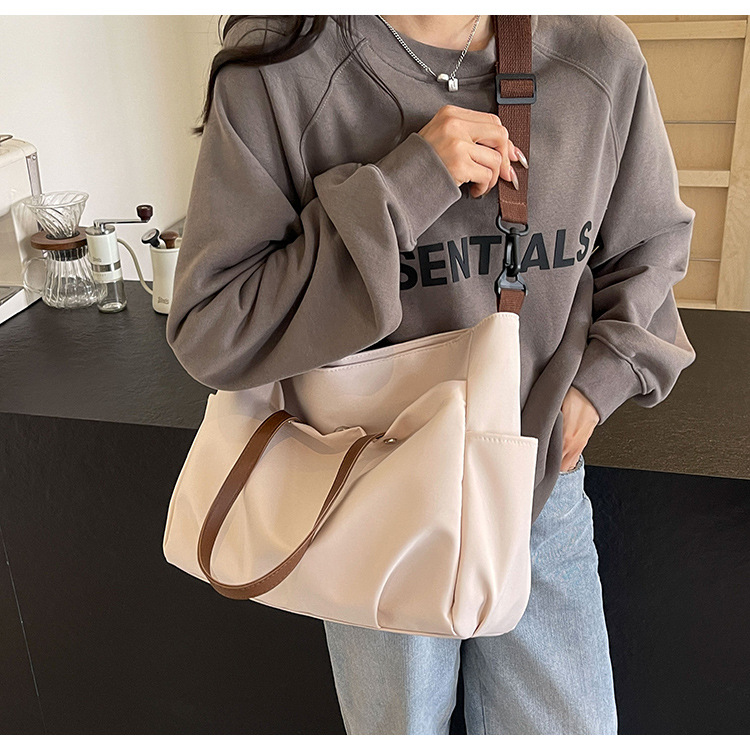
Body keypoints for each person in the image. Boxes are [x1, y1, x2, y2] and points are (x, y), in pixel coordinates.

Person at [165, 14, 697, 735]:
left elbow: (650, 246)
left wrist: (598, 385)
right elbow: (215, 327)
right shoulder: (281, 62)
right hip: (372, 485)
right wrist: (408, 183)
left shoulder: (595, 56)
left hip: (537, 484)